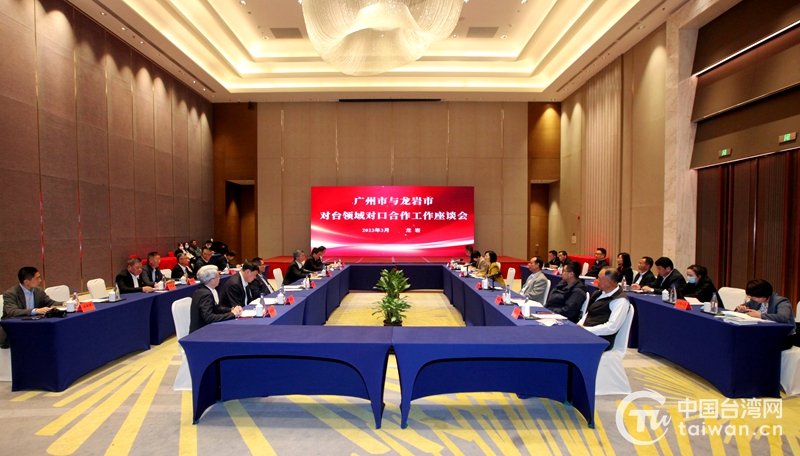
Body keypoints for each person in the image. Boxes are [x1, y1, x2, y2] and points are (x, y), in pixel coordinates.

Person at [1, 267, 62, 348]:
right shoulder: (11, 294)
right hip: (15, 329)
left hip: (34, 326)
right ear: (26, 282)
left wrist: (65, 303)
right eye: (37, 278)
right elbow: (12, 311)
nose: (40, 280)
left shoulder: (38, 291)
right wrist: (35, 311)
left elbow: (50, 303)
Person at [578, 267, 631, 350]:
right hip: (586, 332)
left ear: (609, 283)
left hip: (601, 339)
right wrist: (579, 325)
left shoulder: (620, 300)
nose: (597, 281)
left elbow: (612, 327)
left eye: (599, 279)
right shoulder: (598, 293)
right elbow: (589, 313)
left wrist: (587, 330)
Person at [736, 279, 796, 350]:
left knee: (755, 345)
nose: (753, 299)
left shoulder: (781, 301)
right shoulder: (755, 301)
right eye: (751, 297)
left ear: (764, 295)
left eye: (755, 297)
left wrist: (760, 315)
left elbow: (783, 317)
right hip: (764, 333)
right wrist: (741, 309)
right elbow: (743, 307)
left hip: (783, 336)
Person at [189, 265, 242, 334]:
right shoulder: (206, 294)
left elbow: (215, 308)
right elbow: (209, 318)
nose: (219, 278)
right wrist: (232, 314)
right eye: (218, 277)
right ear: (211, 280)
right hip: (201, 332)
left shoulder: (201, 290)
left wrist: (230, 310)